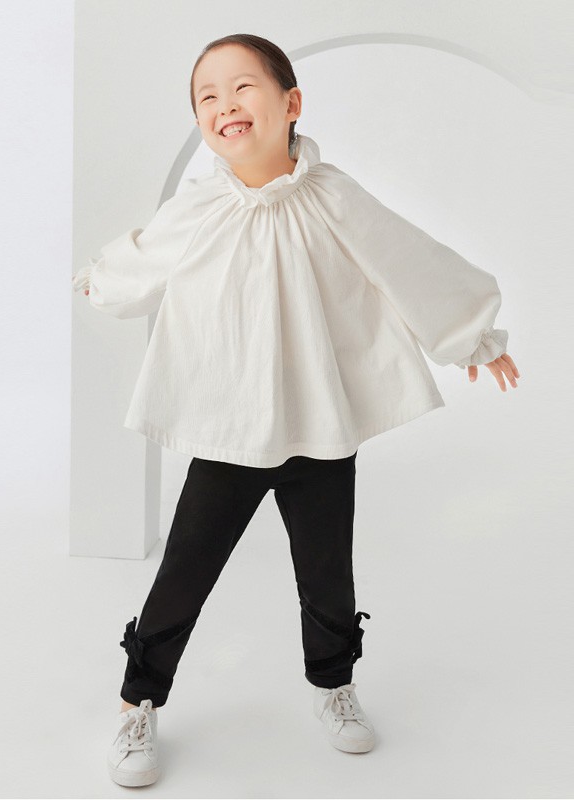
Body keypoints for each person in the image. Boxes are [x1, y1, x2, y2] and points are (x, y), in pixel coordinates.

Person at [72, 34, 520, 787]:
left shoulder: (335, 197)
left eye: (242, 87)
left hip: (320, 423)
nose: (225, 104)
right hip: (232, 428)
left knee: (327, 569)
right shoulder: (200, 208)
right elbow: (142, 256)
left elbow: (407, 259)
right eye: (207, 96)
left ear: (291, 104)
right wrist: (102, 279)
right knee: (186, 568)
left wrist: (470, 336)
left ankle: (334, 684)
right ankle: (137, 700)